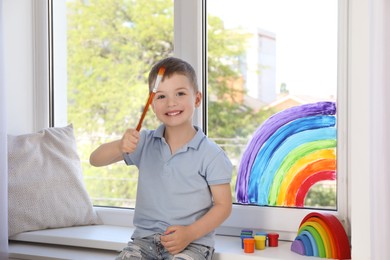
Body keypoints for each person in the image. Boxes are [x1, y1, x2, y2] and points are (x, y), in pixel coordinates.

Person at [90, 57, 233, 260]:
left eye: (180, 93)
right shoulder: (144, 142)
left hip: (192, 244)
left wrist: (189, 233)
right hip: (144, 243)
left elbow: (223, 206)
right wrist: (119, 145)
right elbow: (95, 159)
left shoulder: (211, 154)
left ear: (197, 99)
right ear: (152, 104)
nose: (171, 102)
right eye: (161, 96)